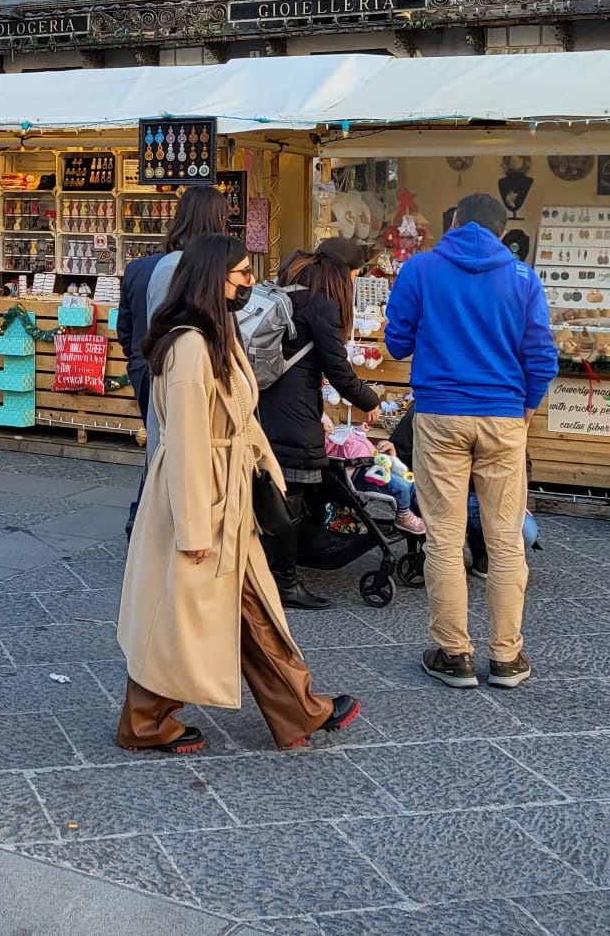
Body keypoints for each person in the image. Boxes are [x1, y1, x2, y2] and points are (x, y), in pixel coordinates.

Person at [115, 233, 360, 754]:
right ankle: (147, 721)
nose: (251, 283)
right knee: (182, 614)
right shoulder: (188, 345)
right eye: (242, 274)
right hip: (201, 496)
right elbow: (184, 440)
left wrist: (265, 474)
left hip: (226, 491)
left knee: (244, 604)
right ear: (214, 279)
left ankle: (297, 709)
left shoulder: (213, 335)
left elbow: (240, 421)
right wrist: (194, 526)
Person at [384, 191, 556, 691]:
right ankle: (507, 658)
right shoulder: (524, 278)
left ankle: (454, 653)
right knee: (505, 542)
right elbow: (542, 358)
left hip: (440, 415)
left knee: (443, 534)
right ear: (503, 233)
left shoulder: (419, 270)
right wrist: (520, 416)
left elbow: (397, 343)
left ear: (452, 222)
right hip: (504, 418)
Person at [255, 240, 385, 610]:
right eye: (355, 275)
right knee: (291, 487)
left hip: (269, 399)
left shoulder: (290, 286)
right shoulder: (322, 302)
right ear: (342, 272)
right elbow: (338, 368)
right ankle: (284, 583)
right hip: (292, 406)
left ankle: (270, 569)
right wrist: (369, 401)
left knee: (276, 485)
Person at [118, 185, 231, 529]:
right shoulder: (198, 271)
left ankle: (144, 513)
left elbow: (124, 326)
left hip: (143, 363)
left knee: (160, 439)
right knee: (175, 444)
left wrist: (138, 359)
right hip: (180, 370)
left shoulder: (140, 267)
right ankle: (154, 518)